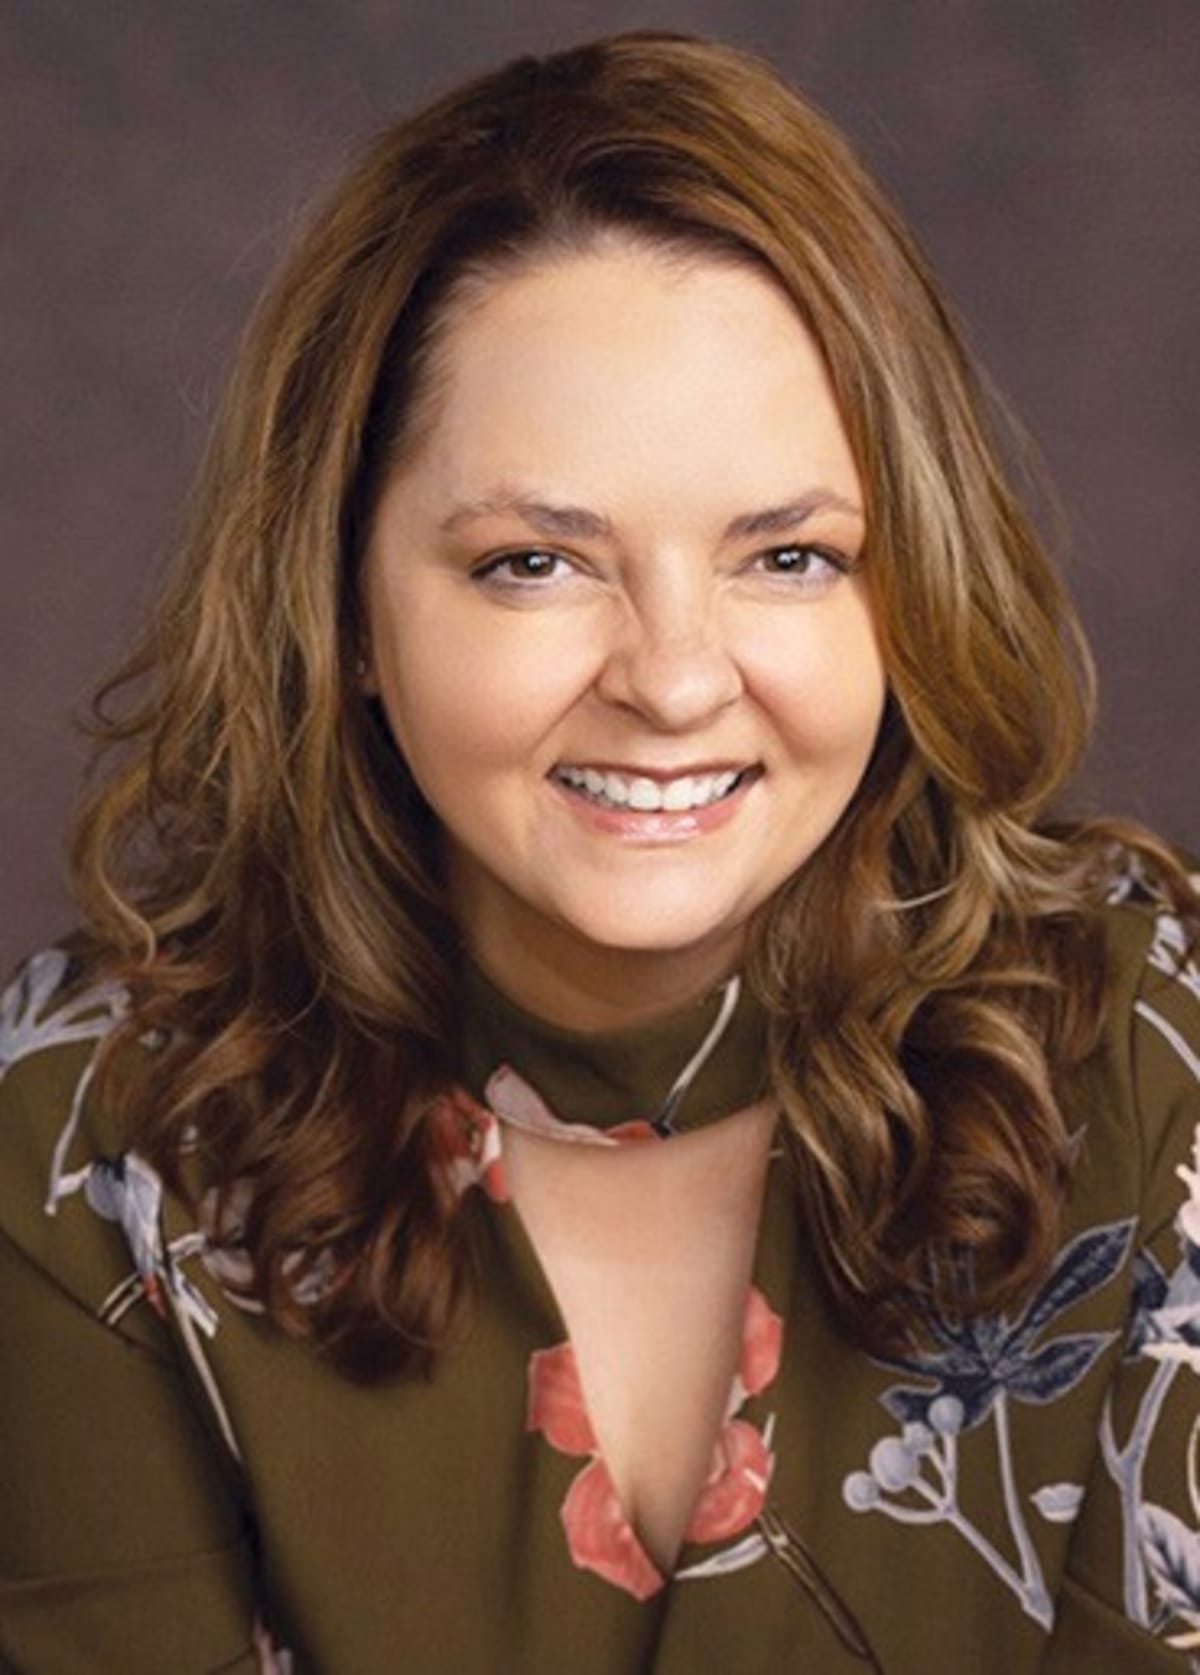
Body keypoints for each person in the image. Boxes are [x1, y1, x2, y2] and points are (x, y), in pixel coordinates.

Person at [2, 30, 1197, 1674]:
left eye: (789, 555)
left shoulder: (1161, 1062)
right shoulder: (87, 1142)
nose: (676, 680)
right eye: (534, 564)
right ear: (342, 605)